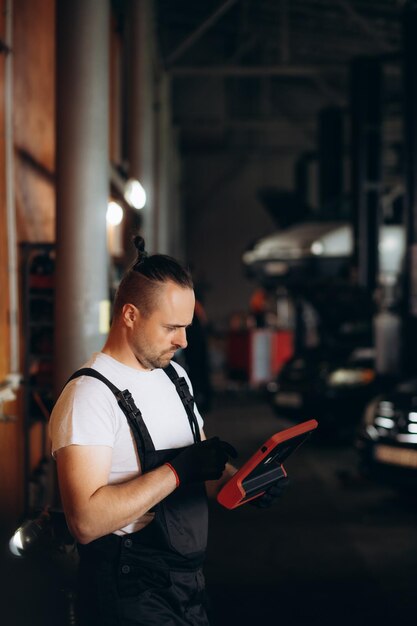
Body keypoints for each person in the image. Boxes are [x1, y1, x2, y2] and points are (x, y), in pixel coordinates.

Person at [49, 236, 287, 626]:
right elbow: (86, 522)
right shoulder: (89, 395)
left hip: (186, 584)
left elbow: (204, 475)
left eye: (187, 327)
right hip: (126, 592)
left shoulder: (175, 376)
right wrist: (178, 471)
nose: (184, 340)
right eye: (172, 328)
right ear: (129, 315)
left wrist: (249, 483)